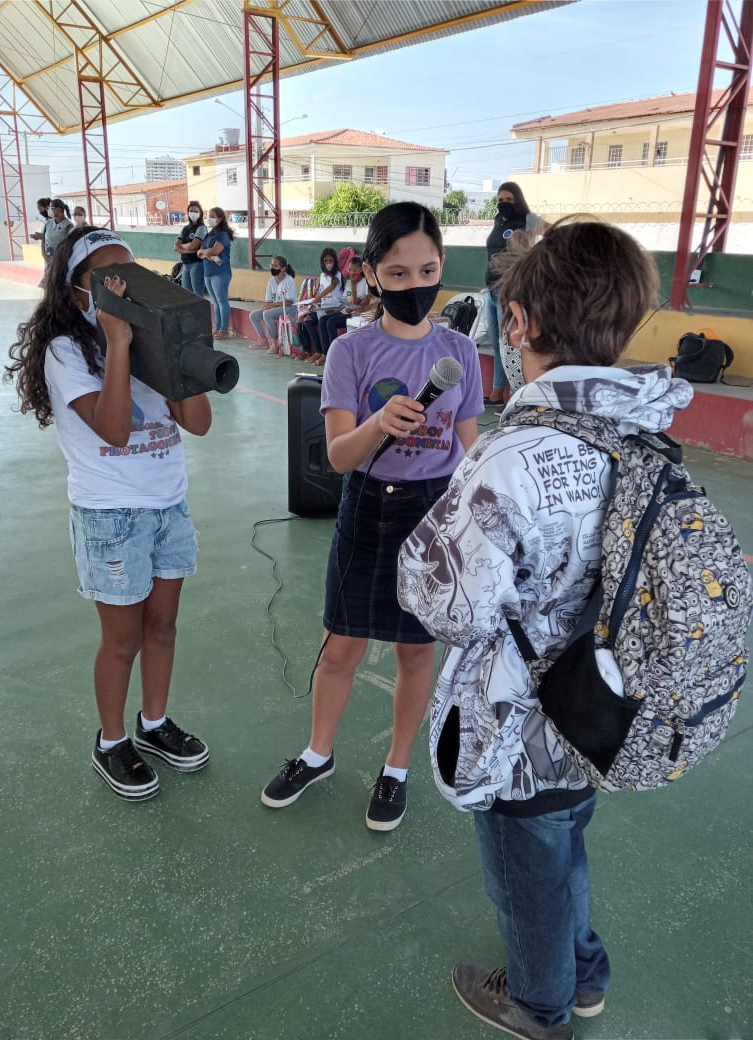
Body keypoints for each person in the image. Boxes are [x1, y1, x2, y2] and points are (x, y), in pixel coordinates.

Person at [398, 218, 693, 1040]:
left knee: (524, 873)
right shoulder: (645, 436)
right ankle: (585, 974)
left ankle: (539, 1006)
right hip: (602, 706)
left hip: (518, 727)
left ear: (520, 323)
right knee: (566, 843)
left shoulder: (512, 457)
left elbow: (445, 605)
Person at [261, 202, 484, 831]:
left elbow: (470, 450)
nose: (415, 285)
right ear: (371, 273)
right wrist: (379, 423)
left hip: (433, 512)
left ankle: (397, 768)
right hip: (366, 506)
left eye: (428, 271)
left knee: (416, 652)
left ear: (442, 266)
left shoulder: (460, 353)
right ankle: (318, 753)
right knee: (341, 645)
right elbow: (337, 456)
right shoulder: (349, 351)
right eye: (398, 273)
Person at [5, 226, 213, 802]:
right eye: (108, 279)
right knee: (122, 640)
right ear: (78, 291)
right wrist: (118, 345)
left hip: (168, 504)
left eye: (130, 274)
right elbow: (115, 431)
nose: (124, 287)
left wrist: (177, 349)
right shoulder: (66, 351)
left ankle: (153, 723)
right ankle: (112, 741)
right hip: (111, 515)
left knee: (163, 626)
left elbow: (197, 422)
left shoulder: (149, 341)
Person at [484, 182, 541, 407]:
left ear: (518, 199)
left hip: (510, 290)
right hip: (491, 288)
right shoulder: (499, 220)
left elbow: (553, 233)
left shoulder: (528, 219)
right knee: (496, 344)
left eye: (509, 199)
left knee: (510, 344)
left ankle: (517, 396)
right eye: (500, 200)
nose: (504, 204)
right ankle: (497, 393)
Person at [311, 255, 373, 365]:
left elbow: (355, 304)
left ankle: (334, 355)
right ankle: (325, 354)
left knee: (331, 322)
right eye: (350, 270)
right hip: (345, 311)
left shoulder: (364, 282)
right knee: (323, 319)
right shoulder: (348, 282)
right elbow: (344, 301)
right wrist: (335, 310)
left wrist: (353, 285)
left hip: (355, 314)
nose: (351, 273)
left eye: (354, 270)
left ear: (361, 270)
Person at [295, 247, 345, 358]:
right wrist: (312, 301)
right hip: (323, 307)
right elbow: (320, 290)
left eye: (331, 261)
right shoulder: (322, 275)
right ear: (322, 262)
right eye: (326, 261)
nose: (328, 263)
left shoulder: (337, 274)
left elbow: (332, 286)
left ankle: (323, 353)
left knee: (318, 320)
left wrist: (317, 299)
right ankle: (311, 351)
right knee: (304, 319)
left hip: (335, 307)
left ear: (335, 262)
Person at [248, 255, 297, 353]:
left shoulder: (289, 281)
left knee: (267, 314)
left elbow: (289, 302)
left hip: (289, 308)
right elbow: (269, 300)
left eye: (275, 266)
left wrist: (271, 306)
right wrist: (267, 306)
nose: (272, 268)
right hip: (277, 308)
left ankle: (275, 343)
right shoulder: (271, 281)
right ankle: (263, 340)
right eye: (271, 265)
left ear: (283, 268)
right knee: (254, 315)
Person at [197, 207, 232, 338]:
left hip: (220, 272)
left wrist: (205, 252)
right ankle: (217, 328)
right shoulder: (209, 234)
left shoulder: (223, 235)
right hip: (208, 271)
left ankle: (224, 329)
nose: (209, 218)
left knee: (222, 300)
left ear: (220, 218)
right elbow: (199, 253)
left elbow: (215, 251)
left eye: (212, 216)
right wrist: (206, 253)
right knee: (215, 301)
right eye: (208, 216)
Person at [174, 201, 207, 297]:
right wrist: (187, 250)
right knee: (186, 293)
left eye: (196, 211)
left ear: (200, 213)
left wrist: (182, 246)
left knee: (197, 294)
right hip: (185, 264)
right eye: (191, 211)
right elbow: (176, 246)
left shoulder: (201, 228)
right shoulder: (185, 229)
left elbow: (194, 245)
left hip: (197, 264)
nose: (193, 213)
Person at [42, 199, 74, 263]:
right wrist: (44, 256)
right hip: (48, 261)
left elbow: (71, 245)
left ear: (58, 209)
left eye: (51, 208)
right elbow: (43, 240)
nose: (49, 210)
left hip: (61, 261)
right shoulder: (48, 223)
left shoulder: (68, 225)